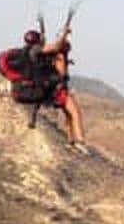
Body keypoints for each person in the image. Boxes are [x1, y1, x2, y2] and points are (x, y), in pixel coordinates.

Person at [22, 26, 88, 154]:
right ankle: (79, 141)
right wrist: (64, 34)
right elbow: (58, 45)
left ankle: (71, 141)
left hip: (49, 88)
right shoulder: (46, 52)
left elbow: (55, 46)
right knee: (74, 113)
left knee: (68, 114)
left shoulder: (31, 52)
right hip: (57, 87)